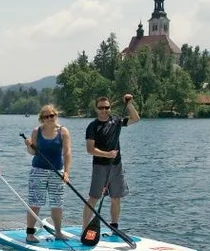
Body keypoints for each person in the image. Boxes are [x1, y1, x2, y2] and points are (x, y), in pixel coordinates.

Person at [81, 94, 140, 231]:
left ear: (110, 108)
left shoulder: (117, 121)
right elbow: (90, 149)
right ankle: (84, 227)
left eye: (107, 107)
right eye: (101, 108)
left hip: (116, 166)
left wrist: (129, 103)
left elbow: (136, 119)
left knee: (116, 197)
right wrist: (107, 154)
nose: (104, 110)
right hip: (100, 166)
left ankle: (114, 227)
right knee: (94, 198)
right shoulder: (92, 126)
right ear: (96, 109)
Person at [23, 104, 71, 242]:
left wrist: (66, 172)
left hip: (57, 172)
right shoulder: (36, 131)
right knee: (35, 202)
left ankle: (58, 232)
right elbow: (33, 152)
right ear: (41, 118)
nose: (50, 118)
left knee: (57, 203)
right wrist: (28, 145)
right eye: (46, 116)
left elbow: (67, 153)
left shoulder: (63, 132)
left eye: (52, 115)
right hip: (38, 171)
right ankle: (30, 233)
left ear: (56, 115)